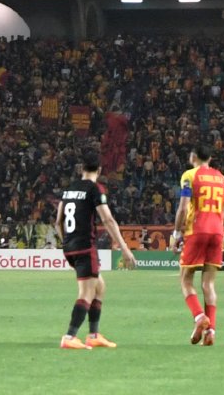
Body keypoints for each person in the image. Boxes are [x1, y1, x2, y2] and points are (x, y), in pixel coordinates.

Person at [57, 148, 136, 349]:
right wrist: (124, 248)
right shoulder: (95, 189)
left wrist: (65, 241)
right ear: (99, 170)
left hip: (70, 247)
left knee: (99, 287)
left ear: (81, 168)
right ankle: (69, 337)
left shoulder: (69, 189)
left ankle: (93, 334)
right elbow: (107, 219)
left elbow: (59, 221)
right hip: (84, 247)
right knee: (87, 292)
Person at [171, 145, 224, 346]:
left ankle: (199, 317)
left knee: (185, 279)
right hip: (217, 232)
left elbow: (183, 207)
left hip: (196, 230)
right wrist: (214, 218)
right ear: (211, 158)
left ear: (193, 156)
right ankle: (211, 331)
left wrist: (176, 232)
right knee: (209, 284)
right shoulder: (223, 180)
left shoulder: (189, 175)